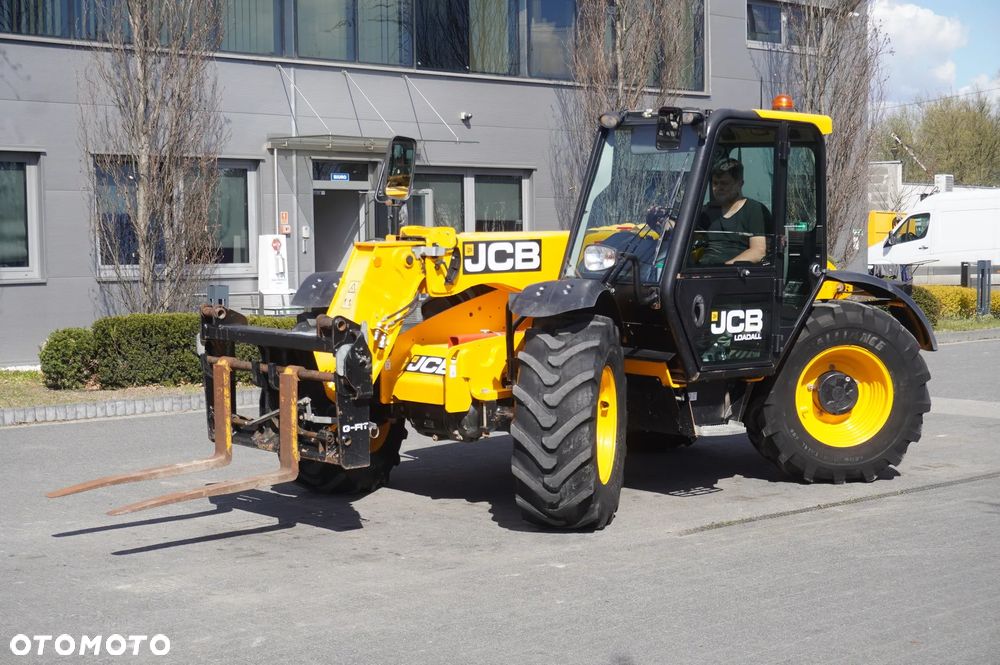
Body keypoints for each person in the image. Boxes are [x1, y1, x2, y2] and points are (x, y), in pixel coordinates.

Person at [698, 158, 768, 265]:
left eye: (724, 183)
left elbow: (758, 251)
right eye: (715, 183)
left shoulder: (754, 210)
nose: (718, 188)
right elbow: (682, 227)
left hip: (736, 275)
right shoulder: (707, 211)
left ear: (740, 184)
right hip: (702, 271)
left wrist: (724, 269)